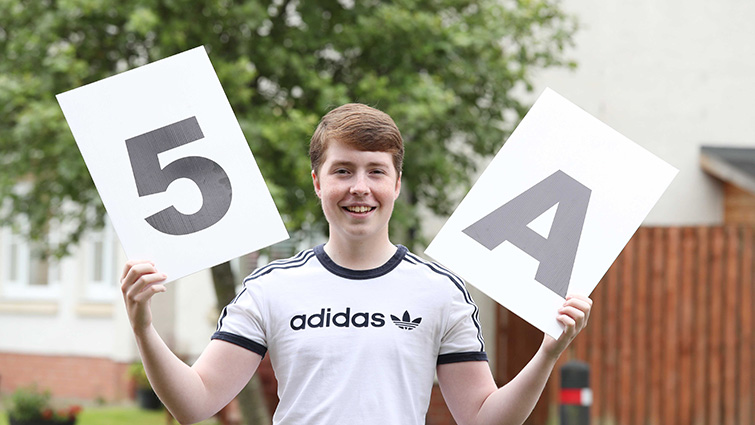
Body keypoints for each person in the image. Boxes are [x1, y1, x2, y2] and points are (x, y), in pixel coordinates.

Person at [121, 103, 592, 425]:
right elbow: (195, 402)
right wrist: (143, 327)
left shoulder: (441, 292)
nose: (359, 187)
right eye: (343, 170)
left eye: (375, 171)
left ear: (397, 184)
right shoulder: (269, 288)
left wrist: (548, 352)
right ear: (317, 182)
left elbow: (483, 416)